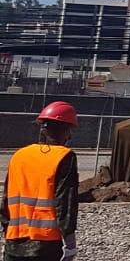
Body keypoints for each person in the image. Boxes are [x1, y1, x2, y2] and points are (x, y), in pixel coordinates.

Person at [1, 101, 79, 261]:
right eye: (69, 131)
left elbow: (6, 201)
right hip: (46, 244)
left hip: (14, 242)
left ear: (43, 129)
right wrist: (70, 243)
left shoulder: (19, 155)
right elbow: (65, 202)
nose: (69, 136)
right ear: (66, 131)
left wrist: (6, 233)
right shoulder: (64, 157)